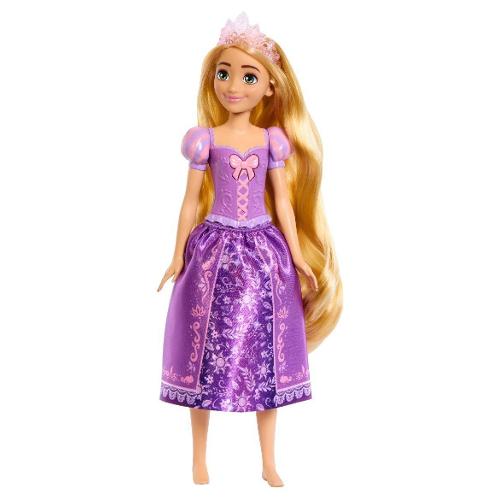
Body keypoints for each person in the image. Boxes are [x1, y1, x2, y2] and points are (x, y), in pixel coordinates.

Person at [157, 12, 343, 487]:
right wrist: (177, 254)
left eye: (248, 76)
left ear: (270, 88)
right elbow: (189, 202)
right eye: (224, 73)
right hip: (213, 249)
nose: (233, 85)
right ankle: (199, 459)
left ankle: (269, 461)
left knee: (266, 353)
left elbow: (282, 202)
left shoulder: (271, 141)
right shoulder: (205, 139)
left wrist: (296, 254)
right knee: (202, 350)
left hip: (263, 252)